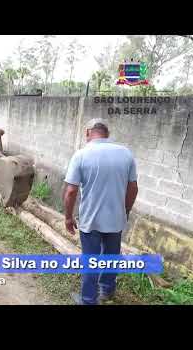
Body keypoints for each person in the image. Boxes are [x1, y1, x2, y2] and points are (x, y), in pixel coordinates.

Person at [63, 118, 138, 305]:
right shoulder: (126, 154)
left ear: (88, 133)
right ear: (107, 134)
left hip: (90, 221)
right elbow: (133, 188)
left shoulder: (81, 155)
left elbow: (71, 191)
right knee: (112, 257)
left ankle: (88, 299)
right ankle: (107, 290)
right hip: (115, 219)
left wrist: (67, 218)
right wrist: (126, 210)